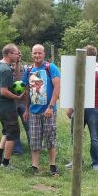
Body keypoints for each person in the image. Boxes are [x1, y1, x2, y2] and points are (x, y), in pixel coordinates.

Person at [66, 45, 98, 170]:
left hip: (95, 108)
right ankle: (77, 161)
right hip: (78, 107)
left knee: (95, 136)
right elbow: (73, 89)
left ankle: (96, 163)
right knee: (75, 135)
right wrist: (71, 108)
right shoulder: (78, 69)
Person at [22, 44, 61, 176]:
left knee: (50, 138)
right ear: (31, 54)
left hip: (49, 111)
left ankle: (52, 166)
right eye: (35, 53)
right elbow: (27, 91)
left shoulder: (51, 68)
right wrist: (26, 109)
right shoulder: (29, 70)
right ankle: (34, 166)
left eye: (39, 53)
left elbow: (57, 87)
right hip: (34, 111)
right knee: (34, 139)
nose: (37, 55)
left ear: (44, 54)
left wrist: (50, 107)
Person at [0, 44, 24, 169]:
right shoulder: (5, 70)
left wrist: (16, 63)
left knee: (6, 130)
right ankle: (5, 164)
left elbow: (12, 74)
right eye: (16, 54)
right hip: (6, 107)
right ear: (9, 54)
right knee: (13, 134)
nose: (18, 55)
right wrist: (17, 97)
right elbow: (4, 91)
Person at [11, 49, 31, 155]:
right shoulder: (8, 69)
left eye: (19, 54)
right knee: (14, 126)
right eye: (16, 54)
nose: (18, 56)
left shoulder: (26, 69)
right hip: (12, 103)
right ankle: (17, 149)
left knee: (28, 125)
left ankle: (33, 147)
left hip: (24, 103)